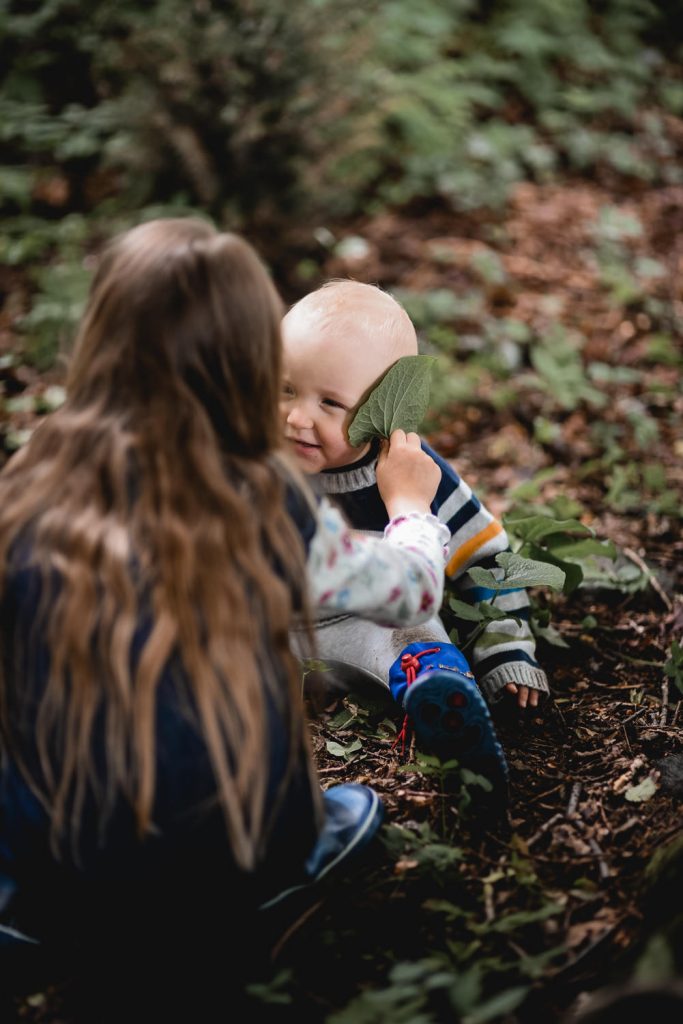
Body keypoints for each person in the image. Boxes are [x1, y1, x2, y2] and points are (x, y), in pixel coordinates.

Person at [0, 220, 449, 1017]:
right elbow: (408, 593)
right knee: (341, 813)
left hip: (51, 849)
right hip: (216, 849)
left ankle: (38, 916)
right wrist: (411, 509)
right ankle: (271, 881)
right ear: (251, 363)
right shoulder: (259, 504)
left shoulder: (31, 481)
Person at [281, 280, 551, 785]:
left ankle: (438, 688)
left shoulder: (413, 477)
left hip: (365, 624)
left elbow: (484, 560)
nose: (297, 418)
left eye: (330, 404)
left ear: (387, 409)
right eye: (285, 389)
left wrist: (506, 650)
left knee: (413, 633)